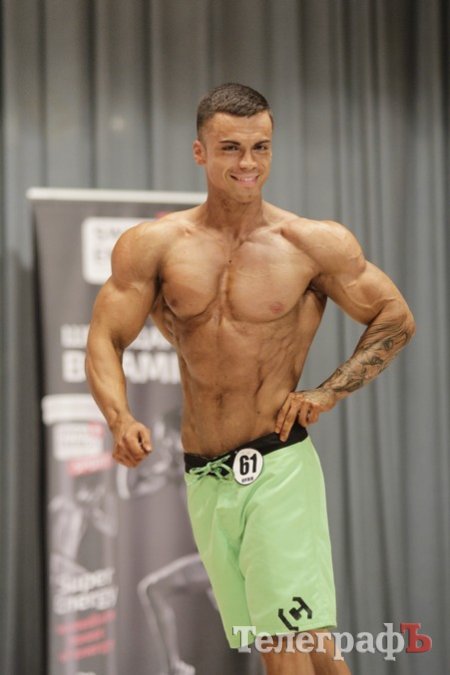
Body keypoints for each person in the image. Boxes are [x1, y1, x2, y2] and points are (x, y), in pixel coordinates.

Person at [85, 83, 415, 675]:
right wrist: (119, 417)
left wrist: (328, 391)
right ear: (199, 152)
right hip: (206, 477)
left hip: (277, 466)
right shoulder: (154, 246)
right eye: (231, 148)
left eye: (260, 147)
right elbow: (105, 336)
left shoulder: (309, 243)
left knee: (285, 648)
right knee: (303, 643)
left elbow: (395, 317)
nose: (248, 163)